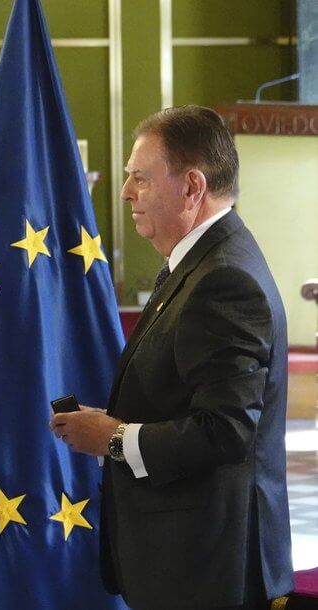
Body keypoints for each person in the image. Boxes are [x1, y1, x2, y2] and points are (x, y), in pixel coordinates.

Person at [51, 105, 293, 609]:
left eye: (140, 178)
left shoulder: (224, 279)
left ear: (191, 186)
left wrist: (114, 439)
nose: (125, 193)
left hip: (207, 568)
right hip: (188, 559)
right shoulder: (204, 262)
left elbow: (226, 430)